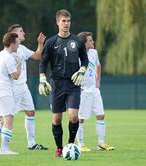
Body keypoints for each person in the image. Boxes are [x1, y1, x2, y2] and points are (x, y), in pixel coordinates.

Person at [0, 24, 48, 152]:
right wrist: (18, 63)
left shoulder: (20, 49)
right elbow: (15, 76)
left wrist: (40, 44)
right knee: (5, 118)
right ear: (13, 35)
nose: (23, 33)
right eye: (20, 31)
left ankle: (31, 143)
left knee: (29, 112)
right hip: (11, 89)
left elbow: (37, 56)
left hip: (21, 86)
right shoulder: (9, 55)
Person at [39, 9, 88, 157]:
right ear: (57, 22)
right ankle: (59, 148)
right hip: (57, 84)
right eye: (63, 21)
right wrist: (42, 78)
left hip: (73, 84)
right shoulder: (51, 42)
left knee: (74, 116)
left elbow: (85, 59)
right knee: (56, 118)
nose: (66, 24)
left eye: (68, 21)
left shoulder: (78, 41)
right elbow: (43, 62)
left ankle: (71, 144)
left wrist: (82, 70)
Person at [76, 32, 114, 152]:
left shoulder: (94, 52)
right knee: (80, 118)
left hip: (94, 90)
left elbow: (98, 65)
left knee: (101, 115)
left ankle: (101, 143)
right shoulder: (75, 55)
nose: (93, 42)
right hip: (82, 91)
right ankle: (80, 144)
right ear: (84, 43)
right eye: (90, 40)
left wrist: (98, 81)